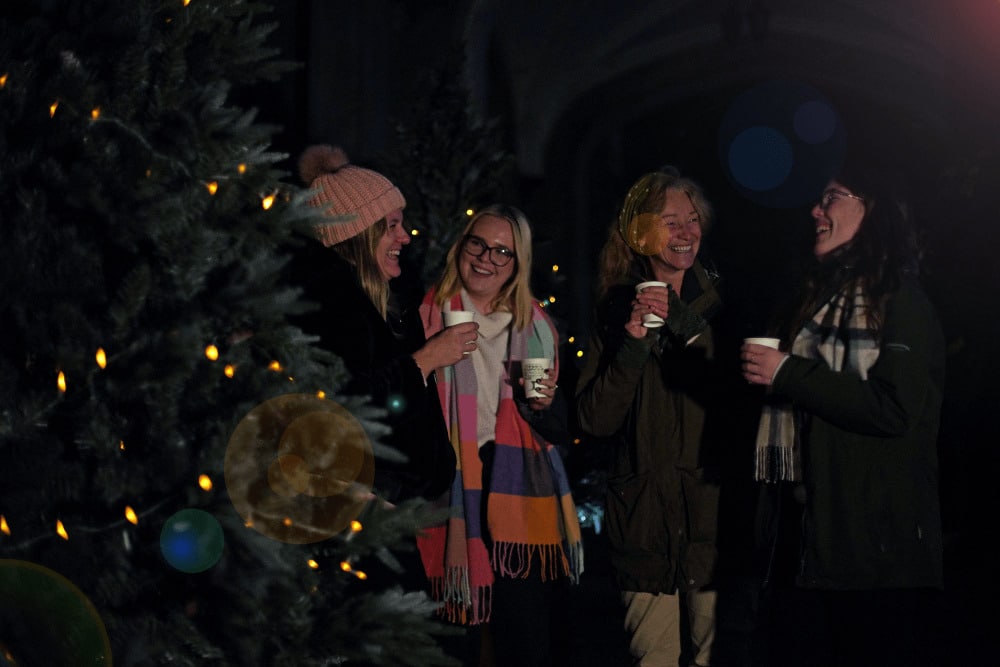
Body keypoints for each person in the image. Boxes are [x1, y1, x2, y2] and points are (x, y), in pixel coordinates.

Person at [741, 159, 946, 667]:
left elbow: (895, 410)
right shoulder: (814, 302)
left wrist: (788, 373)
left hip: (873, 555)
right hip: (809, 544)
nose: (815, 210)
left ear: (870, 209)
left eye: (831, 197)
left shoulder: (902, 302)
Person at [575, 168, 759, 667]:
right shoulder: (615, 312)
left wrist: (678, 317)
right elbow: (594, 419)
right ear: (638, 233)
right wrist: (634, 345)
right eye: (670, 221)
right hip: (644, 530)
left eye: (693, 220)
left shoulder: (728, 304)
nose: (686, 232)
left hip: (713, 529)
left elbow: (741, 399)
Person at [416, 204, 584, 667]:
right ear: (461, 245)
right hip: (449, 478)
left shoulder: (535, 326)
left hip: (517, 485)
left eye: (502, 252)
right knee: (454, 635)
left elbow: (560, 429)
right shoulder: (426, 313)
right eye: (478, 243)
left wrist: (546, 405)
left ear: (517, 263)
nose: (486, 257)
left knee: (523, 633)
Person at [287, 144, 470, 505]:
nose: (404, 236)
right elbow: (341, 403)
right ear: (357, 234)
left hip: (401, 500)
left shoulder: (393, 300)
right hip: (362, 506)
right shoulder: (328, 304)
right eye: (391, 226)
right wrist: (424, 361)